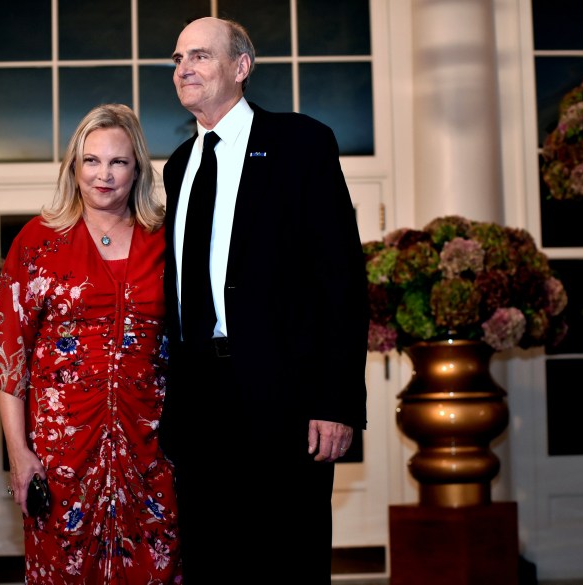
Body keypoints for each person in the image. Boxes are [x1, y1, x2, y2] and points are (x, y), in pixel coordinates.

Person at [159, 17, 369, 583]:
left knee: (288, 560)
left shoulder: (301, 143)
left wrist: (337, 401)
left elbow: (341, 280)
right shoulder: (178, 166)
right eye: (178, 59)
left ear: (242, 67)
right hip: (200, 406)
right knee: (211, 562)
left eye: (200, 56)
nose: (184, 69)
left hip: (285, 403)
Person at [0, 103, 181, 584]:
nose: (103, 175)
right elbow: (8, 357)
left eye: (118, 162)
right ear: (74, 167)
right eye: (91, 160)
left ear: (138, 170)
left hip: (153, 452)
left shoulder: (166, 240)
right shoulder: (38, 241)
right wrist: (20, 455)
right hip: (61, 456)